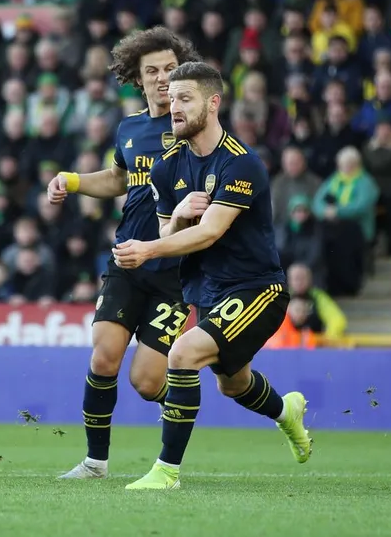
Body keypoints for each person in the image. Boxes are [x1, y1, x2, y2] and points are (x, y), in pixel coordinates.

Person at [112, 62, 312, 490]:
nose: (173, 108)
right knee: (233, 384)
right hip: (208, 291)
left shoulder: (243, 164)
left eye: (185, 99)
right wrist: (178, 215)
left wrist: (148, 248)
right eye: (171, 100)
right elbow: (173, 231)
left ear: (213, 103)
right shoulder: (167, 167)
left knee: (182, 355)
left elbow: (211, 232)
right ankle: (286, 412)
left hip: (258, 289)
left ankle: (166, 472)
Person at [47, 27, 201, 480]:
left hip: (174, 269)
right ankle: (96, 462)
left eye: (169, 70)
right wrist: (72, 180)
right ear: (137, 77)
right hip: (127, 260)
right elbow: (118, 180)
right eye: (150, 71)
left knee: (146, 382)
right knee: (103, 358)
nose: (160, 78)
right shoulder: (130, 129)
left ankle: (182, 397)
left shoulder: (195, 132)